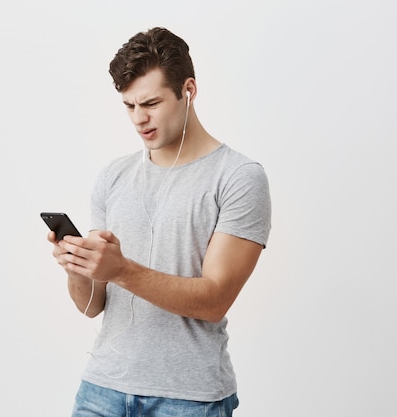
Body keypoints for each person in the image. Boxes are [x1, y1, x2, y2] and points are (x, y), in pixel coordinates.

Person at [47, 27, 271, 417]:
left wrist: (120, 269)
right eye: (129, 106)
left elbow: (215, 300)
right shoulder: (113, 177)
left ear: (189, 90)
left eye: (151, 103)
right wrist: (79, 270)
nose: (139, 118)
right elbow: (93, 306)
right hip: (101, 388)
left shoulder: (237, 177)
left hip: (188, 398)